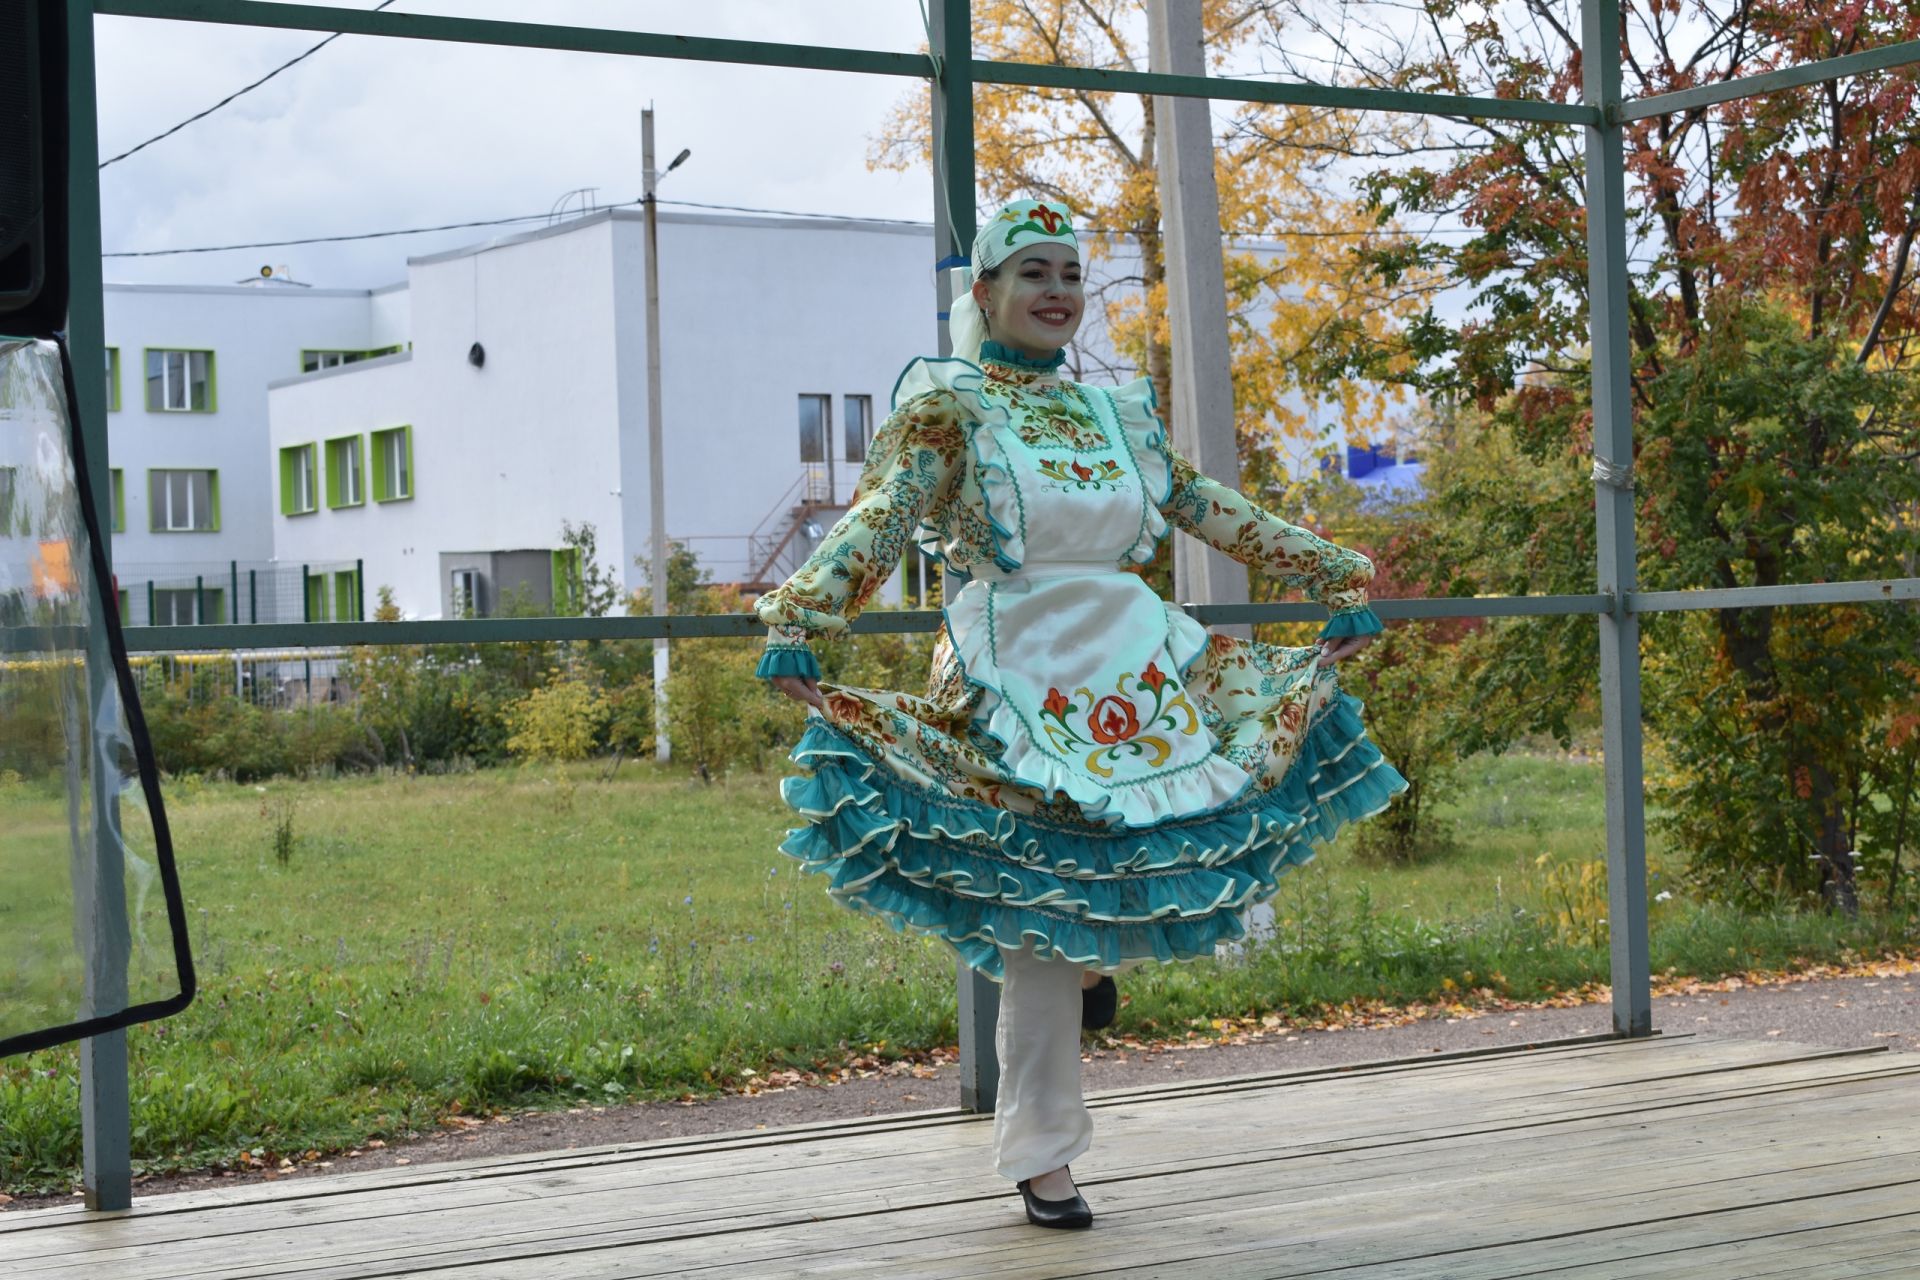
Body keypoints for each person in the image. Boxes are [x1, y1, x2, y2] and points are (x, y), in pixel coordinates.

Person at [753, 198, 1407, 1230]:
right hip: (1012, 668)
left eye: (1070, 273)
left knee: (1101, 893)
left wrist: (1332, 567)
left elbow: (1202, 503)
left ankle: (1096, 962)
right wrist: (806, 608)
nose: (1057, 291)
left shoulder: (1115, 415)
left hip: (1138, 661)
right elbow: (884, 515)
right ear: (986, 293)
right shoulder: (950, 409)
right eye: (1032, 272)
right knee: (1041, 930)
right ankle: (1046, 1153)